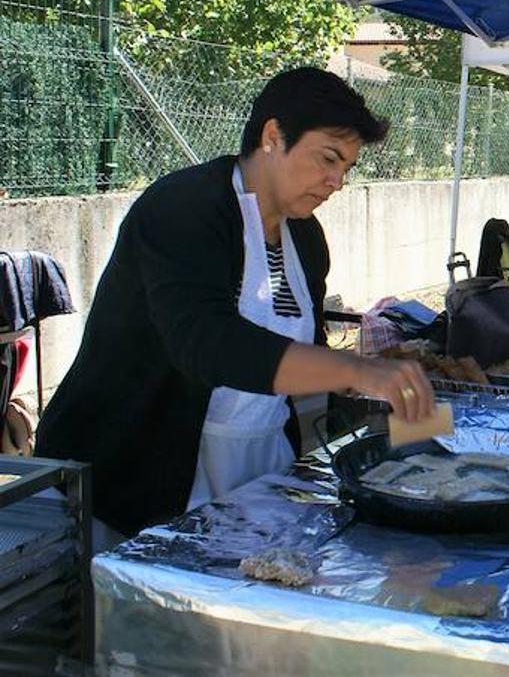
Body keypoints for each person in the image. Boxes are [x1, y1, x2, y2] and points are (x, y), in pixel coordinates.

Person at [34, 68, 437, 547]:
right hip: (139, 467)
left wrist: (370, 383)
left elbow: (303, 353)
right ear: (273, 136)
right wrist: (354, 369)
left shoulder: (304, 236)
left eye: (347, 168)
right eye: (328, 159)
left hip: (257, 468)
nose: (336, 182)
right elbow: (205, 342)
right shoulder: (183, 207)